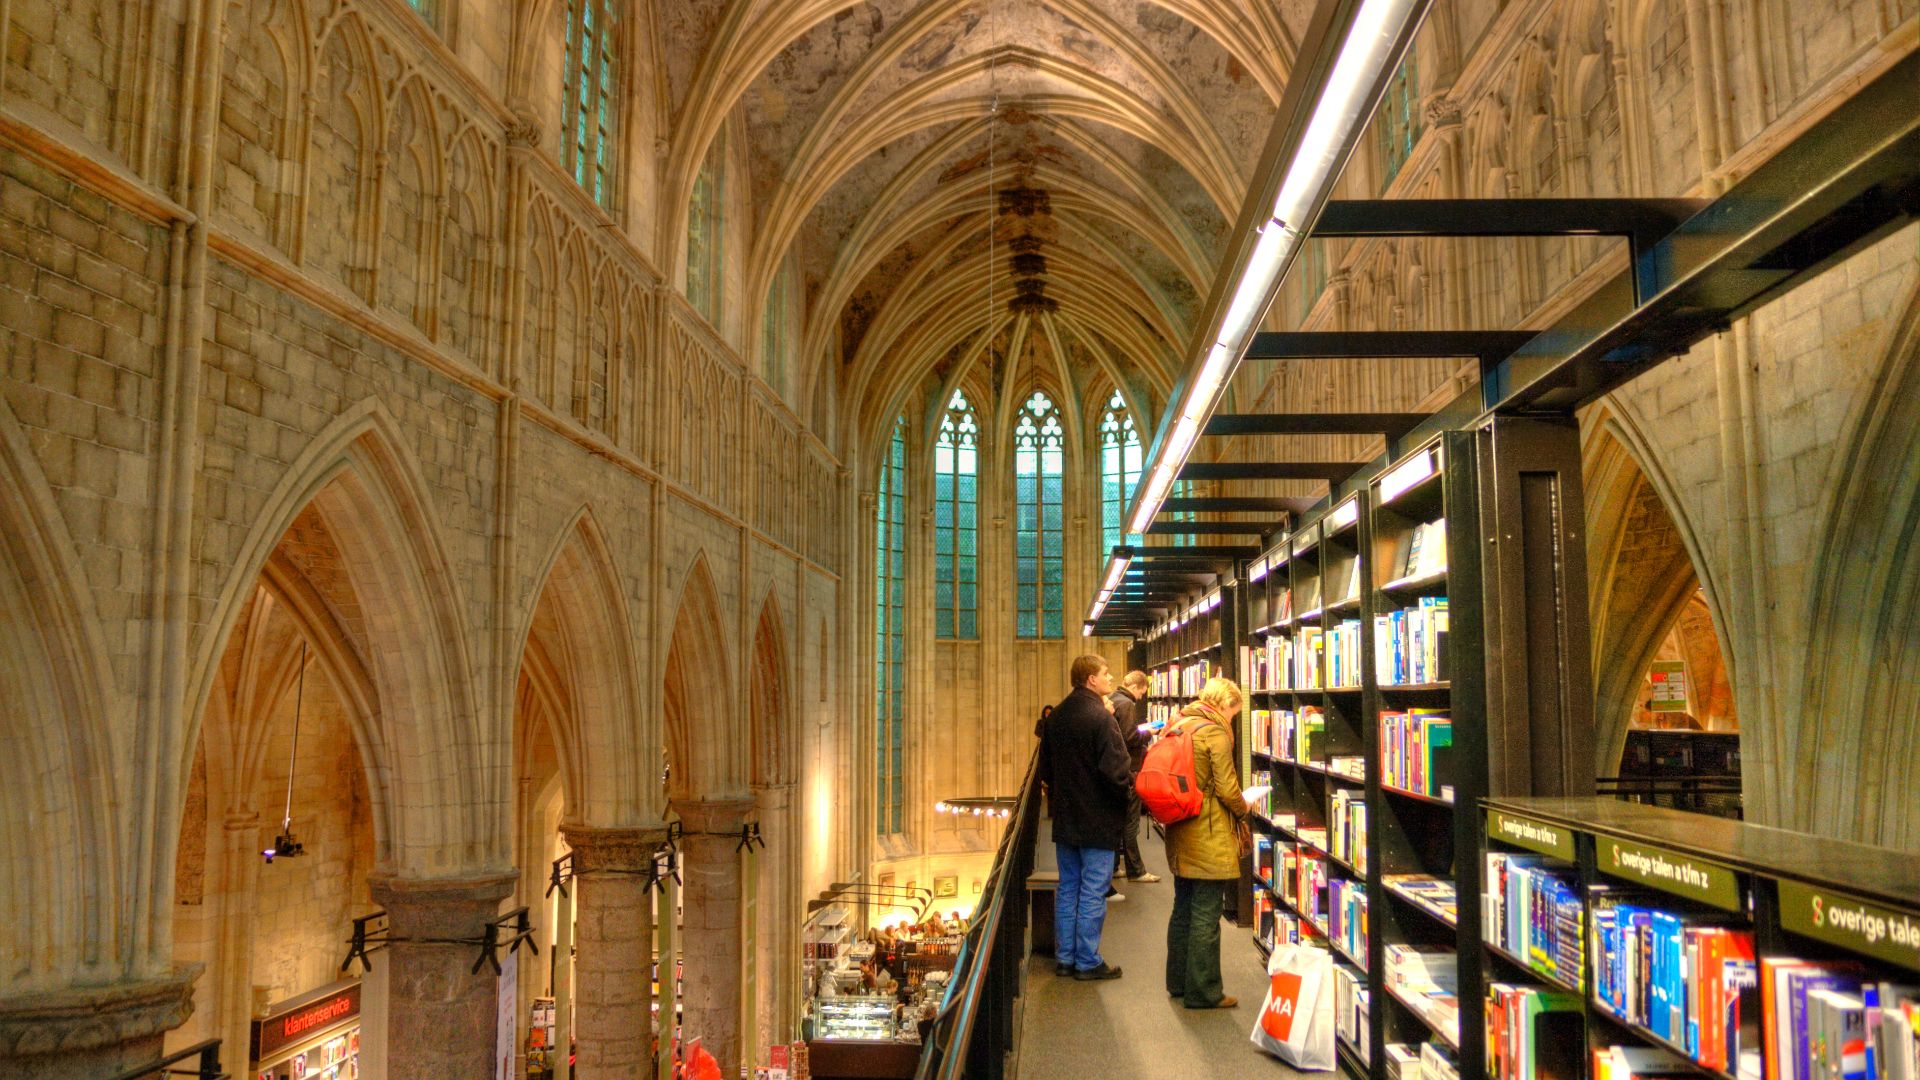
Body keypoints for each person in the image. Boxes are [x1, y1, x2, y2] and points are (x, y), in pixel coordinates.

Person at [1035, 654, 1133, 980]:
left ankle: (1065, 959)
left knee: (1068, 888)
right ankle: (1087, 961)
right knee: (1093, 890)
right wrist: (1126, 799)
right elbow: (1117, 773)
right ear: (1091, 679)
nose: (1110, 678)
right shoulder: (1102, 719)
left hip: (1065, 818)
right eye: (1105, 673)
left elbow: (1045, 769)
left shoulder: (1057, 716)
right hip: (1098, 819)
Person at [1163, 676, 1251, 1009]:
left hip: (1180, 825)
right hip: (1208, 830)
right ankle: (1203, 991)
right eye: (1234, 713)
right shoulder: (1214, 732)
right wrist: (1245, 808)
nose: (1233, 720)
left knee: (1183, 906)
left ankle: (1178, 981)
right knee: (1205, 913)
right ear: (1225, 705)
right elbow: (1228, 788)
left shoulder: (1181, 722)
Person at [1108, 670, 1159, 884]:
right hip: (1130, 769)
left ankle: (1113, 867)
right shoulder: (1127, 704)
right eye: (1142, 692)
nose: (1141, 697)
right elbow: (1129, 737)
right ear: (1136, 687)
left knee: (1118, 820)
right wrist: (1150, 732)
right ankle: (1136, 870)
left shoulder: (1113, 699)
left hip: (1117, 768)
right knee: (1130, 822)